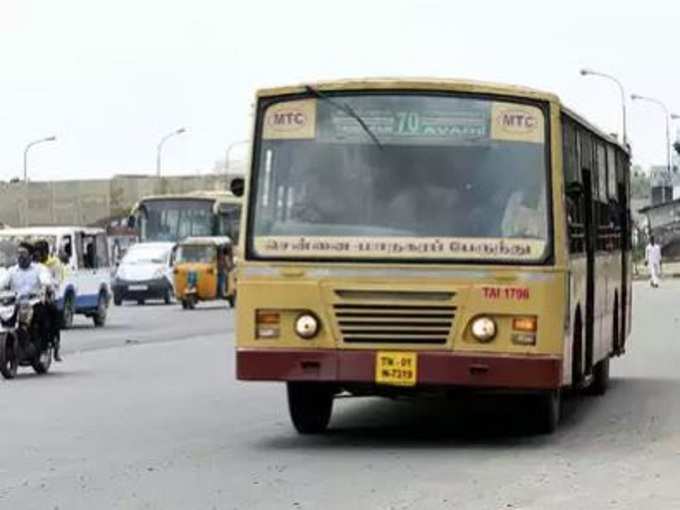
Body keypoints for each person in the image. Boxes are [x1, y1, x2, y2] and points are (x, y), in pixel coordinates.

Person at [0, 243, 55, 355]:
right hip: (15, 303)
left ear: (30, 256)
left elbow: (45, 280)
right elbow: (2, 283)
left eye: (24, 254)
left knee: (44, 316)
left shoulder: (39, 269)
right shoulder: (11, 271)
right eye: (19, 254)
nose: (21, 256)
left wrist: (46, 285)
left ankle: (43, 345)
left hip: (33, 302)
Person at [34, 240, 64, 361]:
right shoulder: (33, 265)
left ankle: (54, 345)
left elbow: (57, 281)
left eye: (41, 252)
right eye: (36, 252)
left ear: (46, 252)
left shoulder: (54, 264)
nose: (39, 255)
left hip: (49, 297)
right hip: (33, 298)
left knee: (52, 317)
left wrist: (49, 287)